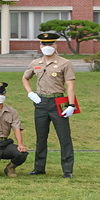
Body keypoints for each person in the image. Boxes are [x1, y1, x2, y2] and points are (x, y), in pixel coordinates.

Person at [22, 31, 77, 178]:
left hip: (57, 101)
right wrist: (30, 93)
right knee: (41, 137)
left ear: (55, 45)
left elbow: (70, 85)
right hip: (40, 102)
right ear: (40, 46)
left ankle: (67, 169)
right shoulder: (36, 63)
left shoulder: (65, 63)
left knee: (64, 137)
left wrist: (71, 105)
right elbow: (25, 78)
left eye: (50, 44)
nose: (47, 46)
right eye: (44, 44)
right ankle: (39, 168)